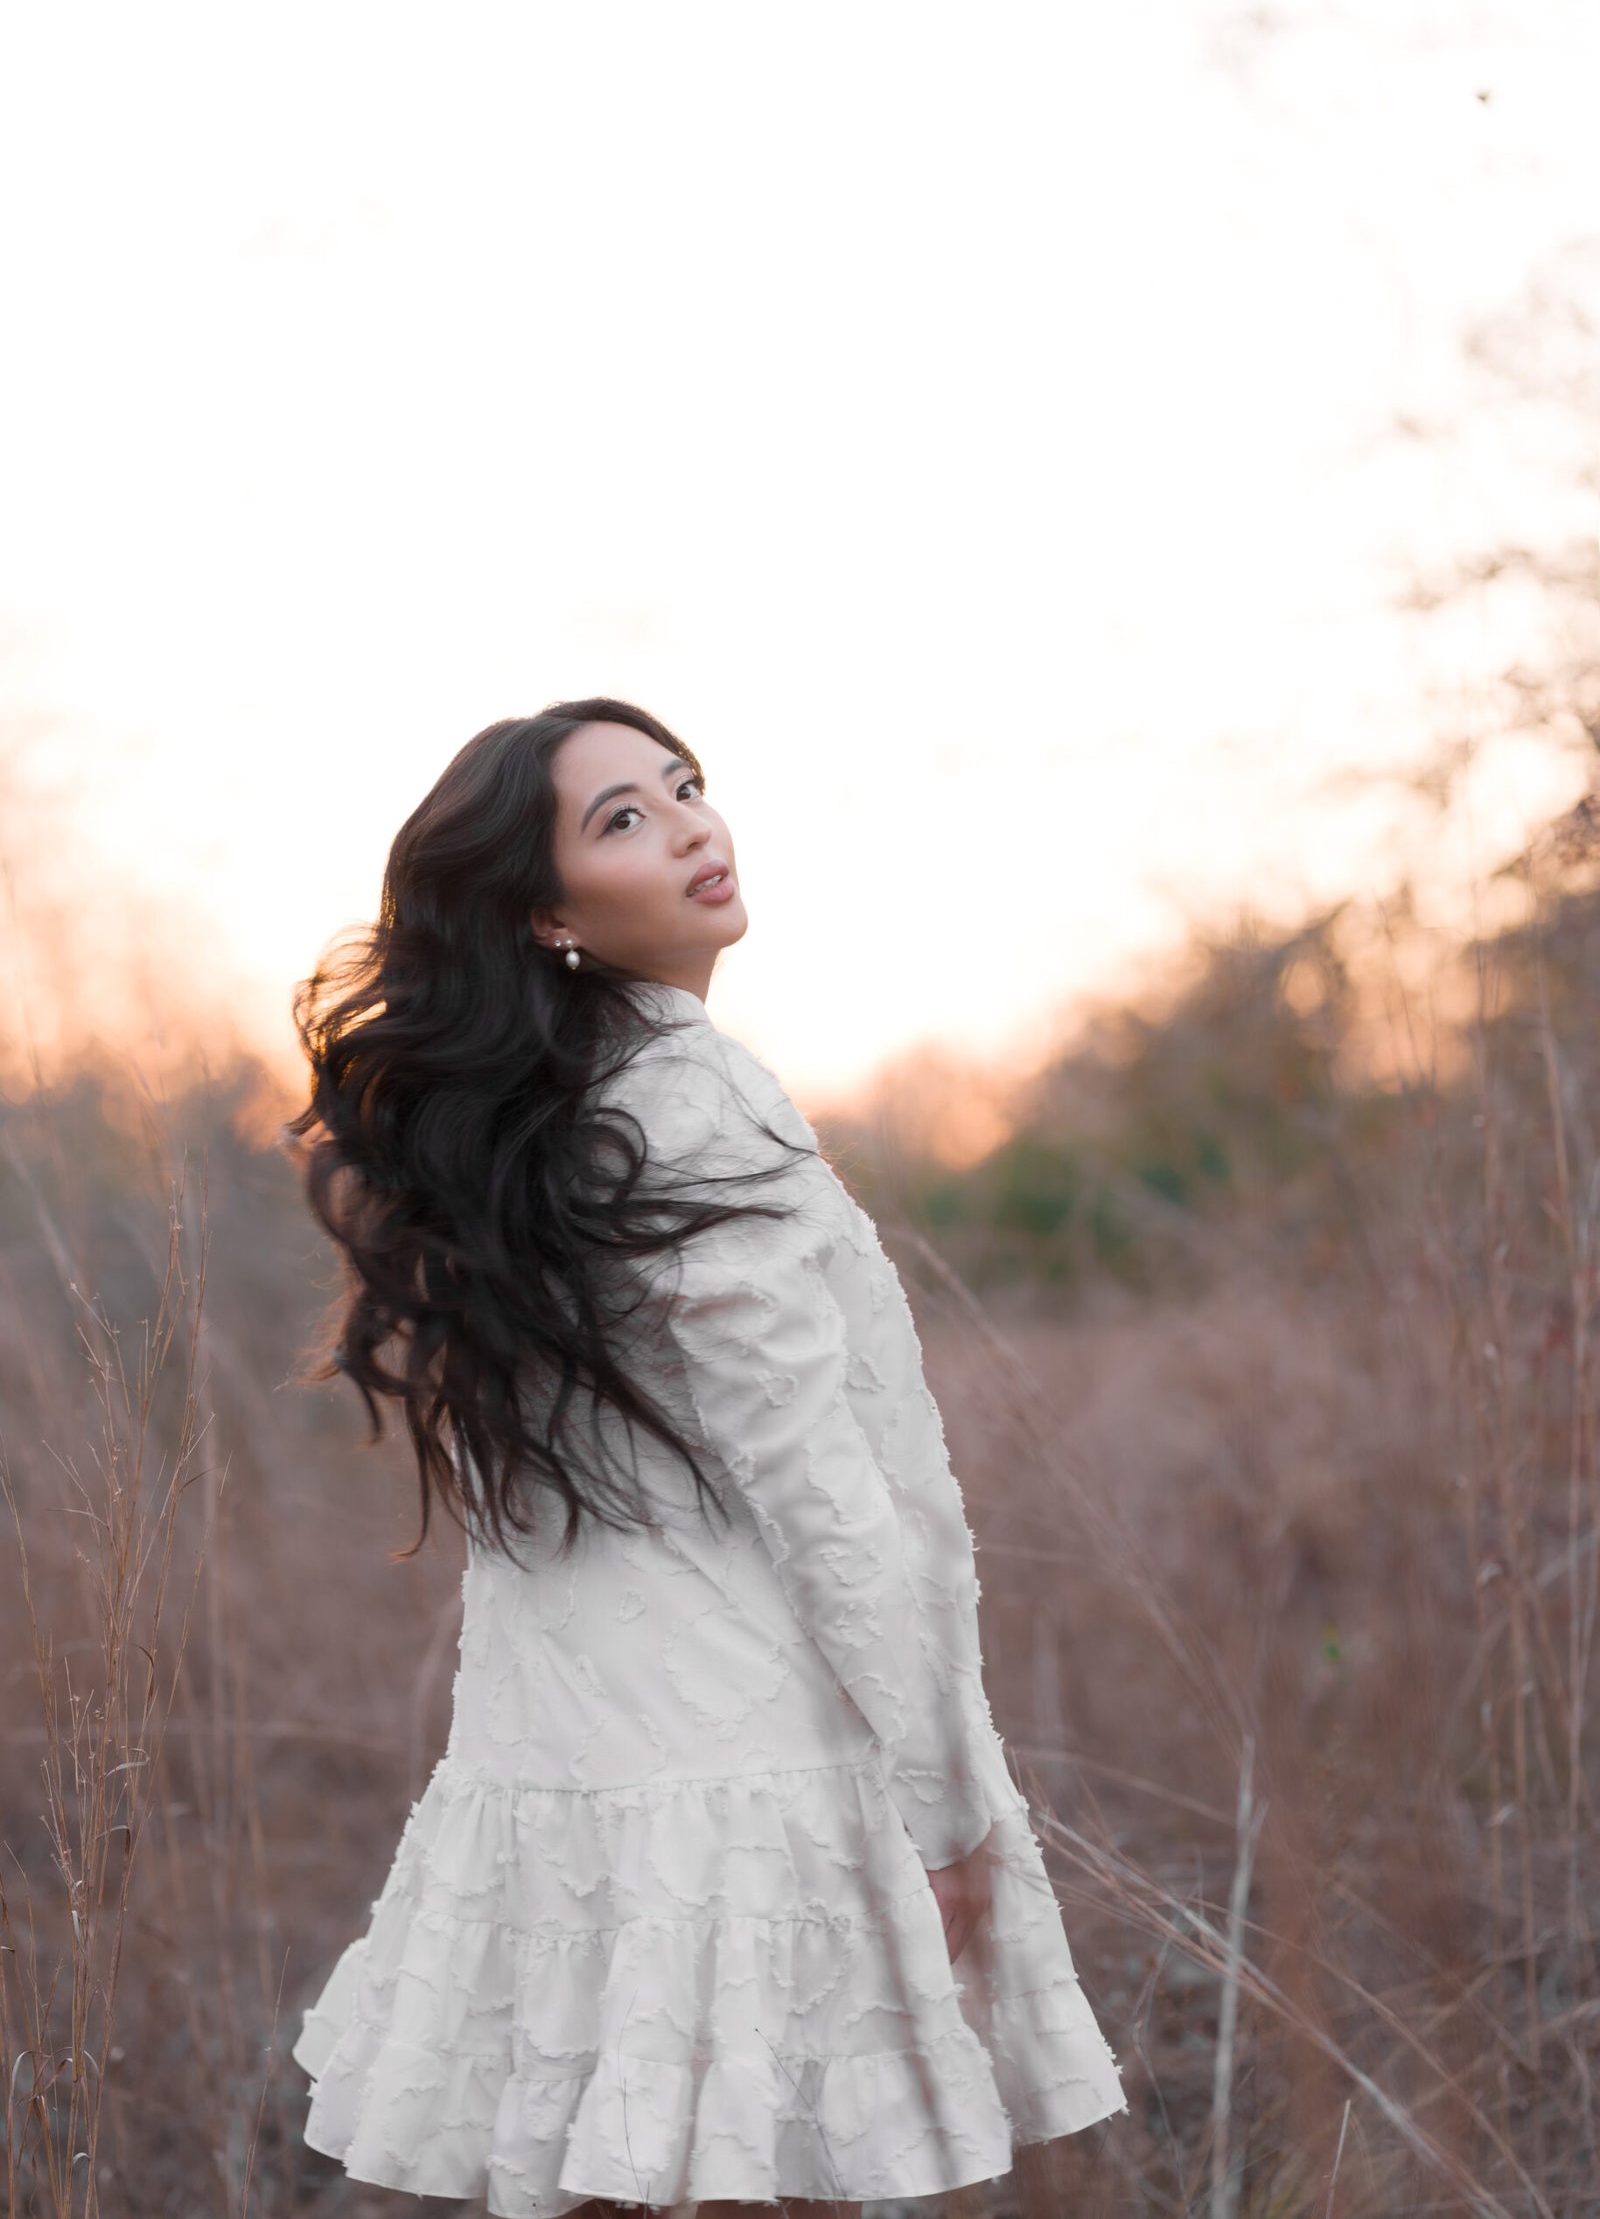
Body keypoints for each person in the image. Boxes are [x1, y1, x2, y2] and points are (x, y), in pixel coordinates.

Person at [285, 698, 1125, 2217]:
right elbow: (822, 1491)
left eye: (684, 788)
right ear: (546, 914)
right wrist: (946, 1807)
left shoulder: (550, 1132)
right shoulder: (689, 1103)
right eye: (622, 818)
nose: (689, 827)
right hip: (746, 1771)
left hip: (584, 1773)